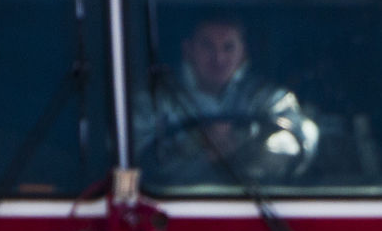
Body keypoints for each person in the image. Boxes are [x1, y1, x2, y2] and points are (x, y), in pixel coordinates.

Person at [134, 16, 317, 186]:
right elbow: (134, 156)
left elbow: (302, 135)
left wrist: (244, 143)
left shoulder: (268, 98)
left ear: (243, 53)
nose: (218, 58)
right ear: (188, 50)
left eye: (228, 47)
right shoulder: (153, 100)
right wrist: (197, 143)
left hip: (253, 206)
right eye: (207, 46)